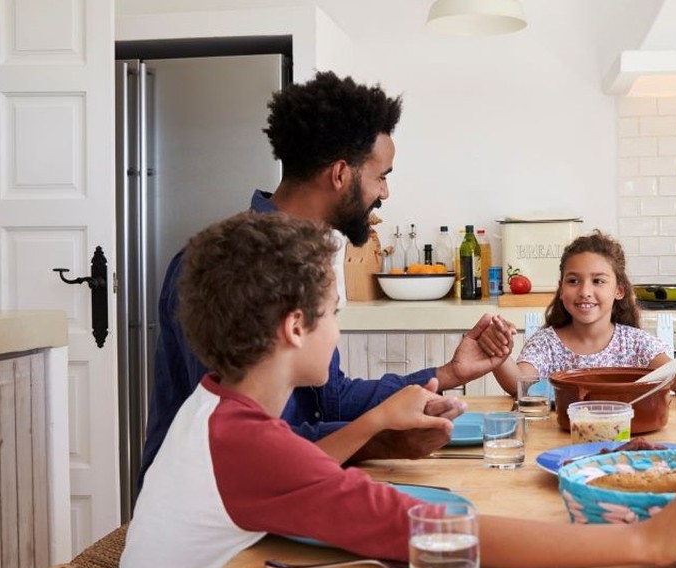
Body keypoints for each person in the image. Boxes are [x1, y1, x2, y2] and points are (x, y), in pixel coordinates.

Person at [115, 212, 676, 568]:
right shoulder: (247, 443)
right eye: (335, 312)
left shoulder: (216, 404)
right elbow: (434, 530)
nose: (338, 327)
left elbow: (294, 471)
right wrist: (645, 541)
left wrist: (377, 425)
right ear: (296, 326)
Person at [141, 72, 512, 487]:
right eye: (382, 175)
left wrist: (448, 373)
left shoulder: (304, 260)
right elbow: (247, 446)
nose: (385, 193)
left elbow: (327, 399)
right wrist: (379, 437)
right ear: (340, 175)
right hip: (214, 512)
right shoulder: (229, 267)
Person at [491, 231, 676, 394]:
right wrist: (499, 354)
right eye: (573, 281)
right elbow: (519, 385)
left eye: (598, 281)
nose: (584, 292)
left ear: (619, 290)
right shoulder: (546, 344)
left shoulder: (637, 343)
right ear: (561, 289)